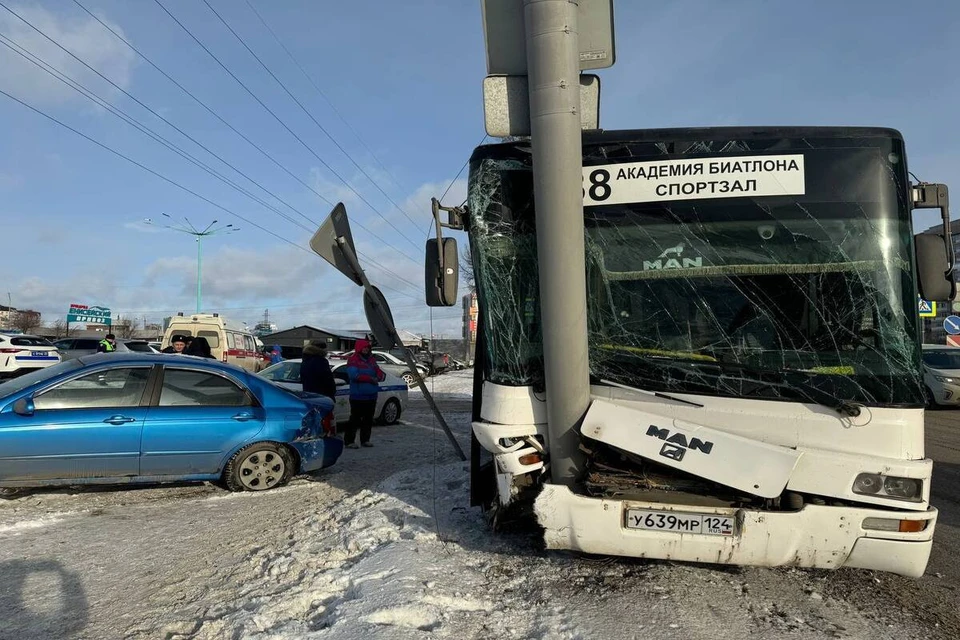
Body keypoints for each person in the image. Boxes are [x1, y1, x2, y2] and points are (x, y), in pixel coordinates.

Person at [344, 339, 384, 449]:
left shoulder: (371, 360)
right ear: (359, 348)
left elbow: (378, 371)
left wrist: (380, 376)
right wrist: (371, 379)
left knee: (368, 419)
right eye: (364, 347)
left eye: (367, 347)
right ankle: (349, 441)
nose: (366, 349)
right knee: (355, 419)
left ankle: (365, 439)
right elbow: (354, 376)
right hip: (358, 396)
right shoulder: (353, 360)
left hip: (371, 395)